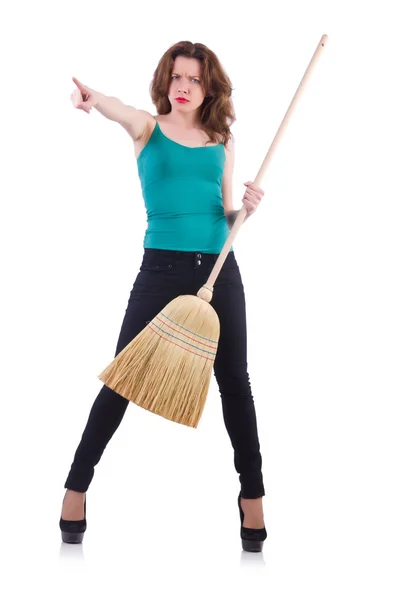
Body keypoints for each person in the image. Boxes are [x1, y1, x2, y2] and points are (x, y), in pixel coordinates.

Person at [60, 41, 267, 551]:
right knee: (122, 377)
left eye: (195, 80)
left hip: (219, 269)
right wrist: (92, 98)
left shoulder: (221, 138)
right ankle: (76, 486)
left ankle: (253, 497)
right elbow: (118, 108)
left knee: (235, 381)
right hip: (161, 268)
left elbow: (224, 215)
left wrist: (247, 210)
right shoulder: (147, 129)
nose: (184, 87)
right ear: (165, 80)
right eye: (177, 77)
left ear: (208, 86)